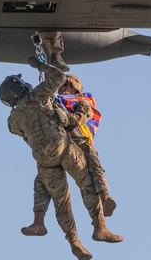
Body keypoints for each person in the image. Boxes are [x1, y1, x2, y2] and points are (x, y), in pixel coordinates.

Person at [1, 56, 123, 260]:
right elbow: (58, 78)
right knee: (86, 184)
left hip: (43, 158)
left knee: (61, 201)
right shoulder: (38, 97)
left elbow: (23, 133)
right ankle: (99, 226)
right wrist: (39, 65)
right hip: (64, 147)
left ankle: (73, 240)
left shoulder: (12, 121)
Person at [21, 72, 117, 238]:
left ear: (77, 89)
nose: (65, 89)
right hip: (56, 143)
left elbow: (82, 117)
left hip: (78, 141)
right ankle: (39, 221)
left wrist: (63, 117)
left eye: (70, 86)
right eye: (63, 85)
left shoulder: (81, 101)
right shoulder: (52, 100)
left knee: (92, 168)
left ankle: (104, 200)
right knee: (42, 179)